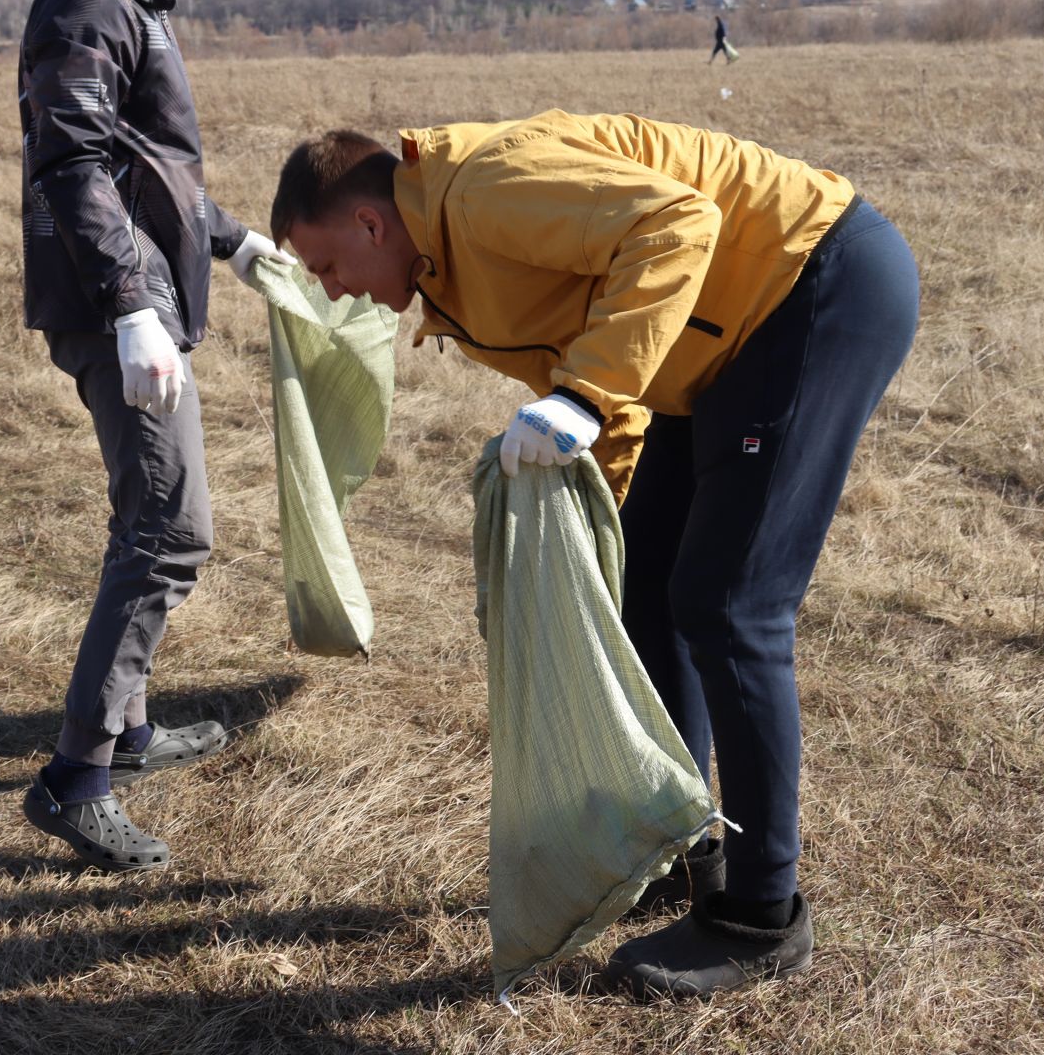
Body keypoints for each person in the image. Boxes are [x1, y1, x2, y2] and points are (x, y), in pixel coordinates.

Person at [269, 115, 918, 999]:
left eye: (328, 266)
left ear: (370, 224)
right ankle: (685, 843)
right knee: (646, 587)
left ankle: (759, 920)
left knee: (731, 608)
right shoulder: (450, 268)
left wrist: (584, 393)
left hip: (808, 282)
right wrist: (592, 506)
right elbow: (602, 340)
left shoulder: (484, 191)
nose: (335, 291)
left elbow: (675, 227)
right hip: (710, 340)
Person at [15, 0, 292, 870]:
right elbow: (73, 163)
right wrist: (134, 301)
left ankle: (127, 730)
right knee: (173, 531)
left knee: (145, 514)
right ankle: (77, 779)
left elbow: (147, 172)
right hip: (111, 310)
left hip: (133, 301)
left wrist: (234, 241)